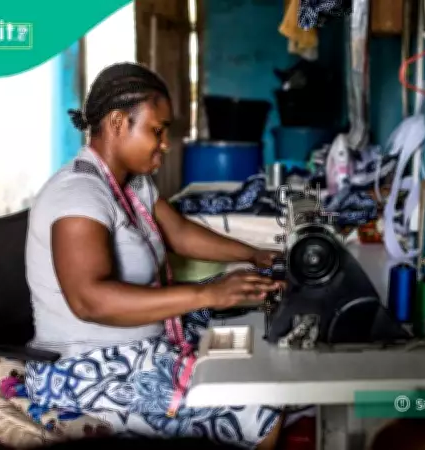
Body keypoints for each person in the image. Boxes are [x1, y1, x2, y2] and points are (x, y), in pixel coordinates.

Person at [24, 62, 288, 449]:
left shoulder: (131, 185)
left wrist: (255, 255)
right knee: (261, 408)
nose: (165, 144)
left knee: (254, 344)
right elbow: (89, 300)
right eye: (157, 131)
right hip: (89, 369)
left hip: (142, 344)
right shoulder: (79, 195)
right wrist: (207, 293)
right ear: (118, 123)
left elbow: (179, 233)